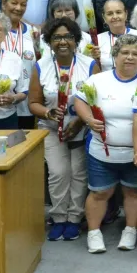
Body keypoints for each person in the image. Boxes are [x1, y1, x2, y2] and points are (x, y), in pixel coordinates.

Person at [73, 34, 137, 253]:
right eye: (125, 52)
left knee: (133, 193)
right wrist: (88, 119)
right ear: (115, 55)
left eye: (135, 54)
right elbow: (79, 100)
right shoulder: (99, 80)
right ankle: (94, 233)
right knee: (99, 193)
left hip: (135, 154)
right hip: (101, 152)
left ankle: (130, 231)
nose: (129, 57)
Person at [29, 17, 97, 242]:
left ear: (76, 39)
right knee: (58, 173)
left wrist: (80, 120)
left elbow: (97, 102)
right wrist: (48, 113)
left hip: (82, 129)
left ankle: (75, 219)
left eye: (68, 36)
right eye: (57, 37)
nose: (63, 41)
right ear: (49, 41)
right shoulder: (41, 66)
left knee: (79, 174)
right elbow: (33, 102)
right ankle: (58, 217)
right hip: (50, 128)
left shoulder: (89, 65)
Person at [2, 0, 38, 129]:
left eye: (23, 5)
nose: (18, 8)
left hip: (26, 104)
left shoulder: (33, 33)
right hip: (0, 104)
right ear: (4, 4)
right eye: (14, 3)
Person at [79, 0, 131, 73]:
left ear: (126, 14)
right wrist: (94, 59)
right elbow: (86, 67)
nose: (115, 16)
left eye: (118, 12)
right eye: (110, 13)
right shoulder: (96, 40)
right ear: (104, 17)